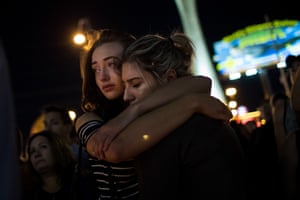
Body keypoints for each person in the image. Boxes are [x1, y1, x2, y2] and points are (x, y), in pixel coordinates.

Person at [75, 29, 232, 199]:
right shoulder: (89, 118)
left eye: (113, 64)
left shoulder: (149, 109)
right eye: (96, 69)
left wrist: (134, 111)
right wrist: (191, 103)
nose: (103, 77)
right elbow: (111, 150)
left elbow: (202, 83)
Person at [117, 32, 247, 199]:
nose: (126, 96)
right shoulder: (205, 119)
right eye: (125, 86)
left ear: (169, 78)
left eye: (136, 84)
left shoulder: (163, 135)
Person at [22, 130, 78, 200]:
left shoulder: (81, 184)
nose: (37, 154)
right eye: (32, 151)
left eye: (43, 147)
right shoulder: (26, 194)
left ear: (57, 149)